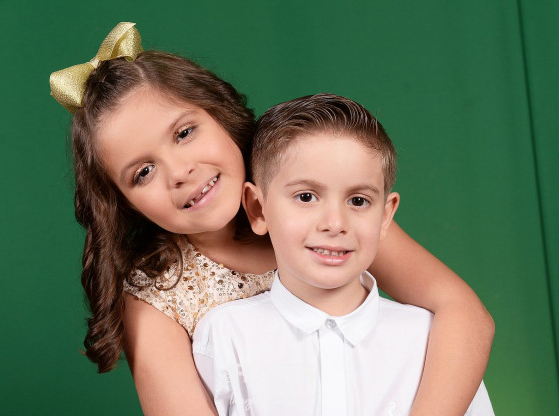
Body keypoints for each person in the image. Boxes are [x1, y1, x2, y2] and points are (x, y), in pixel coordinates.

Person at [50, 22, 494, 415]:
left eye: (184, 133)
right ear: (124, 203)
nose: (179, 172)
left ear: (221, 116)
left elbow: (464, 314)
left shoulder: (318, 204)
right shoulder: (156, 295)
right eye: (143, 172)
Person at [192, 93, 494, 415]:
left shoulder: (432, 342)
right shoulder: (225, 335)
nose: (335, 224)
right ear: (257, 208)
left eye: (358, 201)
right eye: (306, 197)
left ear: (385, 217)